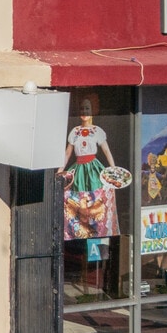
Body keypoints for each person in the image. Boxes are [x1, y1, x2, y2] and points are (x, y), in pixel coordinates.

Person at [61, 98, 119, 240]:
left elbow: (106, 151)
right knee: (77, 200)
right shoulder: (75, 132)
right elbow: (67, 153)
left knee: (97, 198)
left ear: (93, 111)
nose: (84, 111)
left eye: (87, 108)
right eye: (82, 109)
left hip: (94, 169)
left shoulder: (97, 131)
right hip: (79, 170)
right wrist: (60, 171)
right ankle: (79, 234)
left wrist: (114, 169)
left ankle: (98, 232)